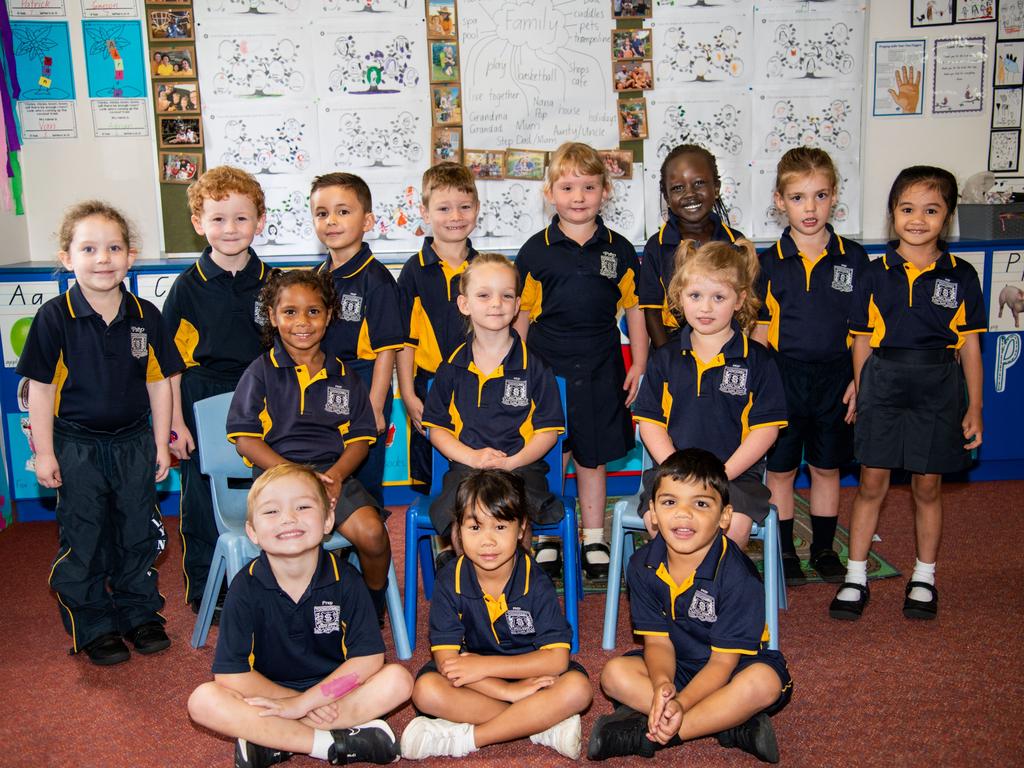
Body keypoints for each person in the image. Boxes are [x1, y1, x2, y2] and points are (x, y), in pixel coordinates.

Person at [18, 201, 184, 665]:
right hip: (77, 445)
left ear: (130, 256)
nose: (103, 258)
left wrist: (161, 444)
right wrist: (45, 454)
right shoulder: (55, 317)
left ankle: (139, 613)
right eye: (89, 248)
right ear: (68, 257)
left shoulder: (146, 315)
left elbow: (158, 382)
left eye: (114, 247)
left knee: (138, 531)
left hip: (134, 443)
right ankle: (93, 623)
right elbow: (41, 390)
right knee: (85, 536)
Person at [829, 166, 984, 621]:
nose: (918, 219)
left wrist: (974, 405)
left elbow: (971, 345)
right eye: (907, 208)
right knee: (871, 483)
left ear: (948, 217)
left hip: (938, 387)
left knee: (927, 486)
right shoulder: (874, 275)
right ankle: (855, 576)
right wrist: (862, 387)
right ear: (893, 213)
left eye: (932, 210)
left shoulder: (962, 275)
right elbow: (861, 340)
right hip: (884, 383)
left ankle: (924, 576)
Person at [187, 463, 412, 767]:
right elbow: (231, 674)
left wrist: (305, 704)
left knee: (399, 681)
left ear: (328, 520)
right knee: (203, 701)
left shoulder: (346, 580)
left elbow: (368, 661)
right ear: (252, 531)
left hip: (336, 694)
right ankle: (330, 744)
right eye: (271, 512)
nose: (288, 519)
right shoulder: (244, 587)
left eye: (303, 506)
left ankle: (273, 740)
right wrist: (292, 704)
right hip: (272, 698)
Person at [590, 449, 793, 763]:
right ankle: (728, 724)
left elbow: (722, 665)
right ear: (653, 512)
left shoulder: (738, 577)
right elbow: (657, 642)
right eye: (670, 502)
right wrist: (662, 686)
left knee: (764, 685)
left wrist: (681, 705)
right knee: (613, 675)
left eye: (700, 503)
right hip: (679, 666)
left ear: (725, 516)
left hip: (733, 667)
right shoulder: (641, 564)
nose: (683, 515)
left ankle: (653, 738)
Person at [226, 269, 393, 623]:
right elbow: (245, 440)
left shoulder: (344, 375)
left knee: (373, 533)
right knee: (294, 540)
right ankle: (287, 612)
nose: (302, 321)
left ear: (329, 316)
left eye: (313, 311)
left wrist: (331, 477)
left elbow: (360, 441)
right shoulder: (260, 372)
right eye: (290, 312)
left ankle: (370, 606)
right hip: (276, 479)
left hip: (334, 478)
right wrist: (300, 477)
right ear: (272, 317)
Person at [514, 141, 648, 580]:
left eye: (588, 187)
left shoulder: (620, 249)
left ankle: (594, 537)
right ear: (549, 193)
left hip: (601, 366)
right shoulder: (535, 251)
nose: (578, 197)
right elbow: (522, 318)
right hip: (546, 369)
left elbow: (634, 311)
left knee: (594, 457)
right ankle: (550, 535)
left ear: (605, 191)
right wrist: (516, 370)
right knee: (552, 456)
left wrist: (640, 364)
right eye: (567, 187)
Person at [401, 470, 592, 760]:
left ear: (521, 528)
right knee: (426, 691)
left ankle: (467, 739)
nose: (487, 541)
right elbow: (447, 662)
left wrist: (484, 666)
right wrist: (505, 691)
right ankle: (539, 725)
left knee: (578, 689)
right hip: (477, 684)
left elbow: (556, 659)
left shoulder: (536, 581)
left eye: (500, 527)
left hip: (529, 676)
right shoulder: (449, 580)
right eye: (475, 528)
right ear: (458, 531)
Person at [751, 147, 870, 586]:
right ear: (780, 200)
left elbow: (861, 332)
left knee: (826, 467)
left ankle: (822, 548)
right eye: (798, 197)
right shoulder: (766, 264)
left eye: (820, 196)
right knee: (780, 469)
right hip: (783, 379)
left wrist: (861, 382)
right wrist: (760, 390)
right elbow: (760, 335)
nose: (810, 208)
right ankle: (784, 551)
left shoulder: (853, 259)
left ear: (834, 196)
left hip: (836, 379)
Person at [164, 165, 273, 613]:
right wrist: (175, 423)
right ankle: (211, 587)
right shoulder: (187, 287)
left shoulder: (275, 281)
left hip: (263, 391)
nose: (230, 229)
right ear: (198, 224)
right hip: (202, 396)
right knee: (203, 494)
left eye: (241, 218)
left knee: (270, 488)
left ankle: (270, 580)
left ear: (260, 221)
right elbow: (168, 364)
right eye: (218, 219)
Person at [633, 238, 787, 547]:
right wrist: (680, 473)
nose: (706, 307)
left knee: (735, 525)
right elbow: (650, 424)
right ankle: (675, 593)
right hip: (672, 475)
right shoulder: (664, 358)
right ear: (680, 297)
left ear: (740, 300)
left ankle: (717, 594)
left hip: (735, 477)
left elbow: (766, 431)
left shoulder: (758, 360)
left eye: (719, 297)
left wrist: (719, 474)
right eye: (695, 295)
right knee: (658, 520)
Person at [421, 253, 565, 559]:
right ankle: (466, 587)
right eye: (484, 295)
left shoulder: (535, 367)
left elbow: (548, 433)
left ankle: (517, 594)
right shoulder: (451, 368)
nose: (496, 303)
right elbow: (437, 431)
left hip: (521, 468)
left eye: (506, 296)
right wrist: (473, 457)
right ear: (464, 304)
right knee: (464, 518)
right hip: (466, 469)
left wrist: (511, 463)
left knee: (515, 517)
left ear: (516, 306)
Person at [311, 173, 404, 509]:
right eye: (322, 214)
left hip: (364, 385)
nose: (331, 221)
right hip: (325, 385)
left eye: (343, 212)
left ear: (367, 221)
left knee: (362, 484)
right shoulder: (318, 277)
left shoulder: (376, 280)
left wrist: (376, 409)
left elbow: (386, 352)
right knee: (327, 477)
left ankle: (368, 555)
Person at [396, 162, 479, 501]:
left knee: (475, 476)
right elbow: (404, 341)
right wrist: (409, 396)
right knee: (433, 482)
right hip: (428, 386)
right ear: (425, 212)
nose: (455, 216)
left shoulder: (486, 267)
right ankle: (442, 553)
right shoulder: (414, 273)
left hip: (478, 384)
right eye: (443, 208)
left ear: (477, 208)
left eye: (464, 206)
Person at [639, 144, 743, 349]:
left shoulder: (736, 244)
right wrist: (667, 360)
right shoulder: (657, 246)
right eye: (678, 188)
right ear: (667, 197)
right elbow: (652, 311)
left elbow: (746, 309)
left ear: (716, 188)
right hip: (672, 353)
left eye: (699, 183)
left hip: (727, 353)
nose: (690, 194)